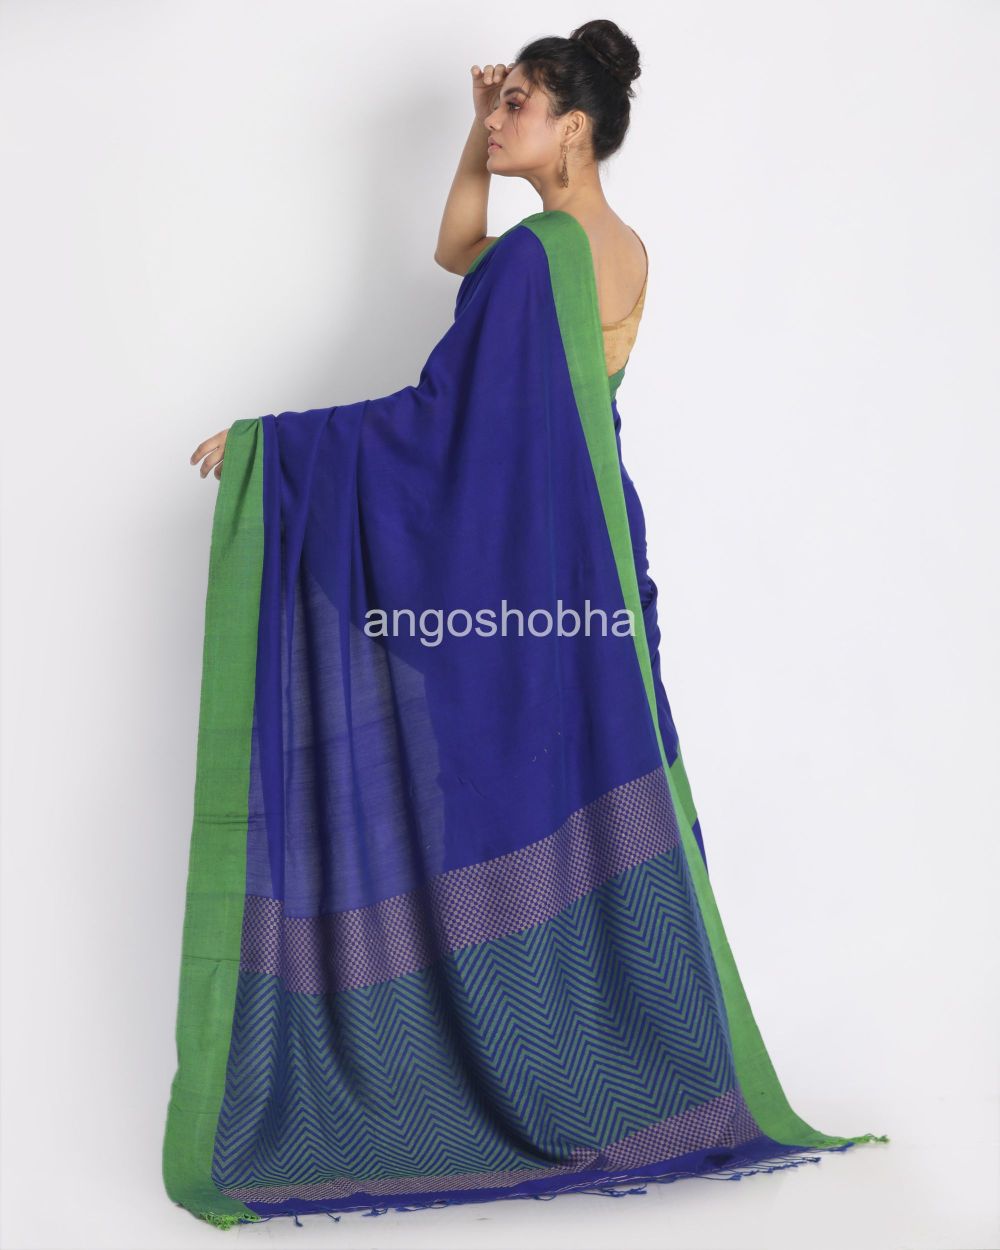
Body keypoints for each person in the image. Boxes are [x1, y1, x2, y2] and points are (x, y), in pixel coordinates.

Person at [169, 21, 887, 1230]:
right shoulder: (617, 250)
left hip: (505, 562)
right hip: (587, 562)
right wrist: (475, 133)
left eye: (518, 103)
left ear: (574, 126)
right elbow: (461, 252)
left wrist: (272, 449)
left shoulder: (539, 256)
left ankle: (501, 1059)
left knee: (490, 800)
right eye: (496, 99)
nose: (498, 116)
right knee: (569, 791)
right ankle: (599, 1055)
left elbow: (436, 418)